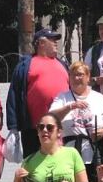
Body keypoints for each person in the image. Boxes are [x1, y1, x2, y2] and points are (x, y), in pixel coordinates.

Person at [49, 61, 103, 182]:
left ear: (88, 77)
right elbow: (51, 117)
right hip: (70, 154)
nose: (76, 78)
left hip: (95, 154)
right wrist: (70, 107)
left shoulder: (98, 97)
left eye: (80, 74)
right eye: (72, 75)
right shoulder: (62, 97)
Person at [7, 29, 70, 157]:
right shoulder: (26, 65)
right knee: (33, 167)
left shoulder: (62, 64)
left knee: (59, 163)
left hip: (60, 128)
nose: (55, 43)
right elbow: (14, 94)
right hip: (34, 129)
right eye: (52, 40)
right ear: (41, 43)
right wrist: (13, 126)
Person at [14, 113, 88, 182]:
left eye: (50, 127)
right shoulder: (28, 162)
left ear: (59, 132)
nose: (45, 130)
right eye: (41, 127)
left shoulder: (72, 154)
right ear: (38, 132)